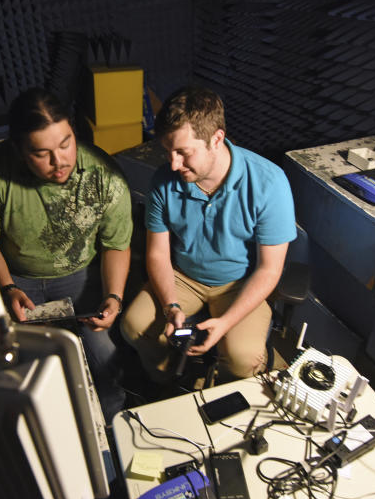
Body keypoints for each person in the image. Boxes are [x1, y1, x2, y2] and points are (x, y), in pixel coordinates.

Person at [0, 87, 132, 421]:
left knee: (107, 364)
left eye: (66, 143)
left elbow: (116, 244)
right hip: (17, 279)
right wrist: (6, 287)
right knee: (14, 367)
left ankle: (112, 431)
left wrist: (113, 298)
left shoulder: (104, 174)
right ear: (18, 149)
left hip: (81, 278)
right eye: (41, 153)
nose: (59, 162)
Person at [121, 85, 296, 381]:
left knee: (243, 359)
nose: (173, 164)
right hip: (183, 276)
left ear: (216, 139)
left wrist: (225, 323)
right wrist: (171, 306)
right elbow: (158, 253)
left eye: (183, 153)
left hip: (238, 283)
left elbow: (269, 270)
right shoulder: (163, 180)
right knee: (133, 325)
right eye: (168, 152)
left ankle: (221, 396)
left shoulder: (270, 183)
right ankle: (170, 383)